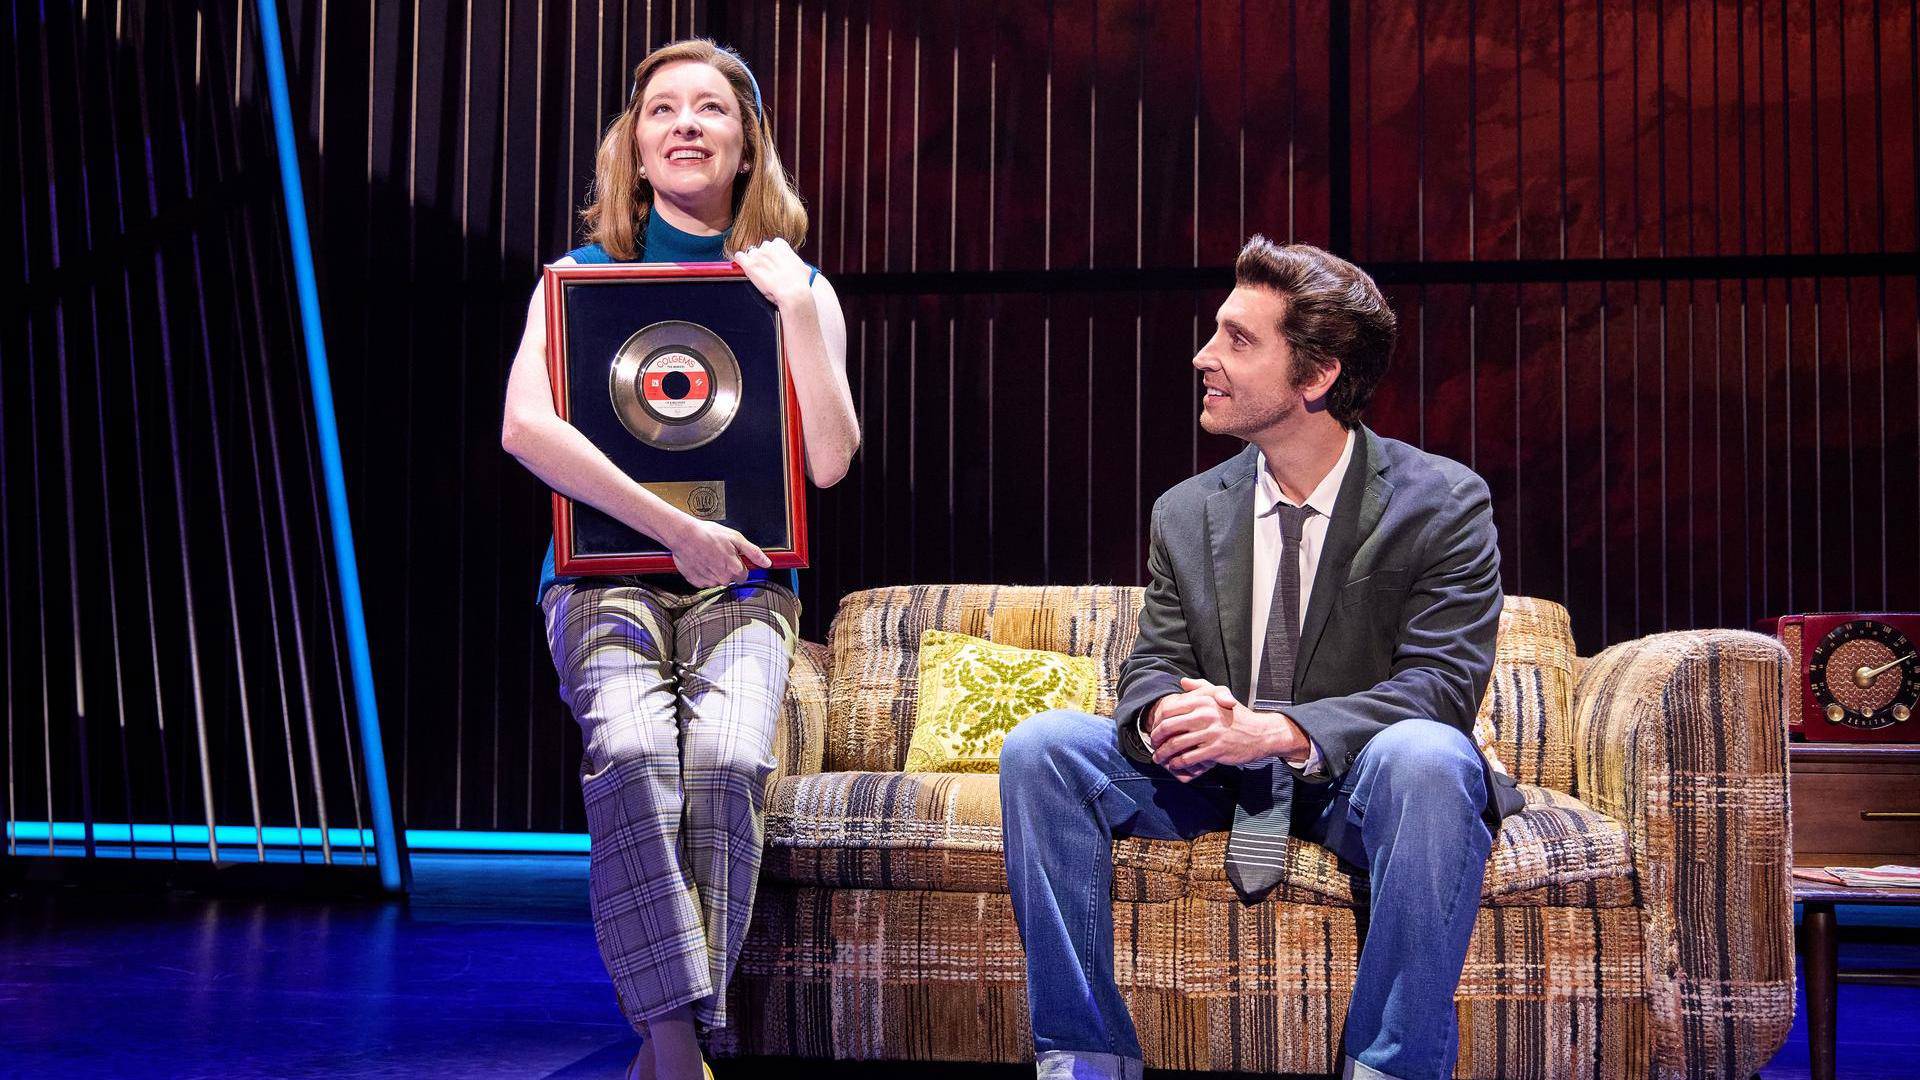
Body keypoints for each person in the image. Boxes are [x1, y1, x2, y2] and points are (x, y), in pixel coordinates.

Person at [998, 237, 1521, 1080]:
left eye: (1239, 341)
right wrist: (1165, 709)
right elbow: (1152, 663)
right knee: (1043, 748)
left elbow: (1442, 685)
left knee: (1432, 756)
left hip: (1357, 782)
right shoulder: (1186, 511)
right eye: (1216, 333)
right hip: (1215, 780)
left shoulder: (1443, 501)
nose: (1204, 356)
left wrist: (1278, 731)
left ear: (1316, 377)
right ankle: (1085, 1057)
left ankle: (1389, 1068)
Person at [500, 39, 859, 1080]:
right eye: (665, 109)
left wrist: (792, 306)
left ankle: (671, 1043)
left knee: (734, 762)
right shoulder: (577, 282)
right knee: (634, 751)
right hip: (601, 580)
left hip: (749, 584)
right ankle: (675, 1039)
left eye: (712, 108)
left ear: (747, 146)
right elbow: (529, 430)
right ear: (637, 145)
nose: (688, 123)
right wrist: (674, 530)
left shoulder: (795, 285)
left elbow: (829, 463)